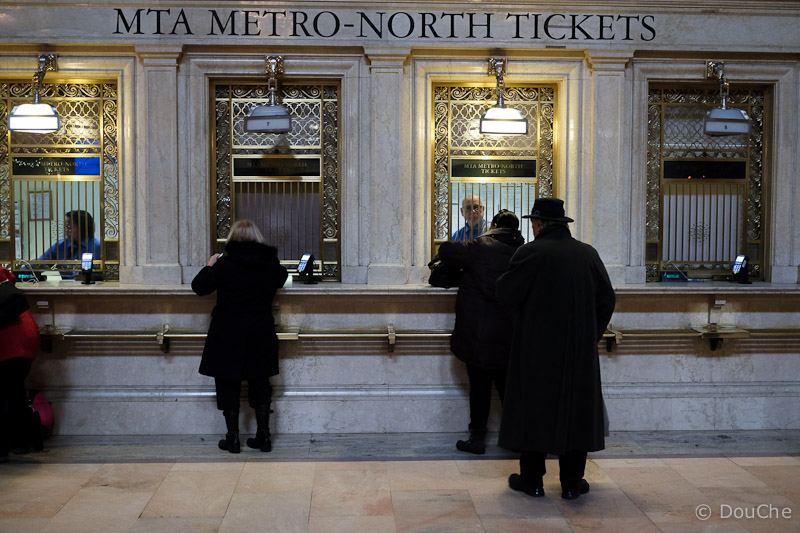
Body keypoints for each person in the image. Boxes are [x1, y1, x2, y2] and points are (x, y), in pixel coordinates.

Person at [496, 198, 615, 500]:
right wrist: (590, 334)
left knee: (533, 411)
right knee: (576, 412)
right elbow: (607, 299)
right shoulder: (587, 254)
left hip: (536, 350)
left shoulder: (530, 252)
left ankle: (532, 480)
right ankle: (572, 483)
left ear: (538, 224)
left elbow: (506, 294)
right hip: (579, 351)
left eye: (533, 222)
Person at [191, 220, 288, 454]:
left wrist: (210, 265)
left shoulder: (224, 265)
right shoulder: (268, 264)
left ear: (232, 239)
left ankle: (233, 438)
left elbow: (199, 287)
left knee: (227, 382)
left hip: (227, 330)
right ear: (257, 239)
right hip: (260, 330)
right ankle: (263, 436)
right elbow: (282, 277)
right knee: (260, 381)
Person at [438, 209, 524, 454]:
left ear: (493, 224)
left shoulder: (481, 246)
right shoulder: (524, 252)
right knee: (510, 390)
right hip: (511, 335)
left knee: (480, 389)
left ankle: (477, 439)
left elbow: (445, 251)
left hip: (480, 334)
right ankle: (517, 439)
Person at [0, 268, 42, 461]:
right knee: (14, 391)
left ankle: (9, 445)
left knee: (9, 392)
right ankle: (20, 442)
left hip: (10, 343)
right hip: (23, 340)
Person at [37, 210, 102, 279]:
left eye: (70, 227)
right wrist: (25, 271)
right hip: (66, 287)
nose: (66, 231)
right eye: (66, 227)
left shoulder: (99, 246)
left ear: (82, 228)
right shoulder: (61, 246)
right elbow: (38, 264)